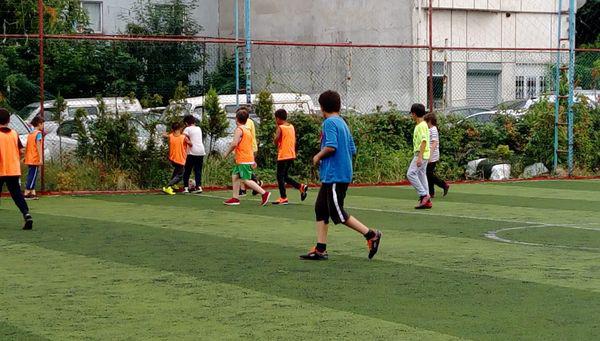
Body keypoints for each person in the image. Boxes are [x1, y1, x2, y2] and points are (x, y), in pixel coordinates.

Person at [299, 90, 382, 261]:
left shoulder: (329, 123)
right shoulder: (342, 123)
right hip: (336, 174)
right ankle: (320, 249)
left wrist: (318, 156)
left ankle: (371, 234)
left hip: (335, 175)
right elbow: (352, 149)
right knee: (320, 209)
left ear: (322, 107)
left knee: (337, 213)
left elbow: (331, 146)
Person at [223, 108, 271, 206]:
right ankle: (235, 198)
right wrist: (252, 159)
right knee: (235, 176)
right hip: (245, 158)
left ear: (236, 119)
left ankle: (264, 193)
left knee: (246, 180)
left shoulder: (239, 130)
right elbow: (248, 146)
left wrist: (226, 153)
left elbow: (234, 144)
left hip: (243, 159)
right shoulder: (247, 130)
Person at [0, 108, 33, 230]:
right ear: (9, 120)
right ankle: (26, 214)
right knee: (17, 194)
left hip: (1, 169)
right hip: (13, 169)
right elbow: (21, 150)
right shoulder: (14, 134)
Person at [272, 109, 308, 205]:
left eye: (276, 119)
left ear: (278, 118)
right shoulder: (291, 126)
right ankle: (300, 186)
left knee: (280, 176)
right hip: (291, 154)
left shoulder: (281, 127)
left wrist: (275, 137)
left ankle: (283, 197)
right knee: (285, 176)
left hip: (283, 155)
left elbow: (276, 140)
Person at [407, 103, 432, 209]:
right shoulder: (423, 125)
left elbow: (424, 141)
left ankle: (423, 195)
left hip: (420, 154)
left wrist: (420, 157)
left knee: (411, 174)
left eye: (412, 114)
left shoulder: (420, 126)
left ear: (414, 114)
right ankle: (427, 199)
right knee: (422, 174)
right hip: (425, 154)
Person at [424, 113, 449, 198]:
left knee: (428, 173)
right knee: (428, 174)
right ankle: (431, 193)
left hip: (433, 155)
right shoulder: (430, 129)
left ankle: (443, 185)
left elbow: (434, 143)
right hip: (430, 154)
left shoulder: (433, 129)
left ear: (430, 121)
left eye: (426, 122)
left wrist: (430, 155)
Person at [239, 108, 263, 196]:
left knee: (245, 168)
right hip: (247, 148)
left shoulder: (247, 122)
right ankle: (243, 189)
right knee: (242, 168)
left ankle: (256, 183)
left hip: (249, 148)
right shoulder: (246, 122)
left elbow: (244, 134)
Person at [162, 122, 190, 195]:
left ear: (172, 129)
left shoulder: (171, 136)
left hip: (172, 159)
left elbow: (166, 135)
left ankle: (173, 185)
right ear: (180, 129)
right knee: (180, 175)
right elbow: (190, 143)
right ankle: (168, 186)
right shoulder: (183, 137)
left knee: (176, 172)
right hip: (180, 159)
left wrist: (164, 134)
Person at [182, 115, 205, 194]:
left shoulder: (187, 129)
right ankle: (198, 186)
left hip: (192, 152)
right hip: (201, 151)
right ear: (194, 121)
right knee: (198, 170)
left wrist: (189, 142)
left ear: (186, 123)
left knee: (187, 170)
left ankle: (186, 188)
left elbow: (183, 137)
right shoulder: (198, 128)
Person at [24, 116, 44, 200]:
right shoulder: (38, 134)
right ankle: (27, 192)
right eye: (42, 124)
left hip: (29, 157)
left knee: (31, 174)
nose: (43, 126)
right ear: (39, 124)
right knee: (33, 175)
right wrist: (40, 158)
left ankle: (32, 193)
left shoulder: (31, 133)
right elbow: (38, 146)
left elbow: (28, 146)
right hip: (35, 158)